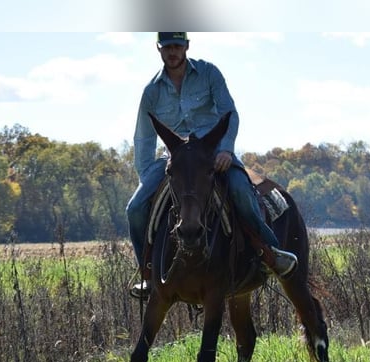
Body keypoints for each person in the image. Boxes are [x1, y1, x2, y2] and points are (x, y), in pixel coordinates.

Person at [126, 32, 298, 299]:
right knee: (134, 208)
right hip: (176, 159)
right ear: (158, 49)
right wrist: (148, 175)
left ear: (187, 47)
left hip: (214, 152)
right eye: (167, 47)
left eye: (177, 46)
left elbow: (230, 113)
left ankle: (270, 252)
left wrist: (227, 149)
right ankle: (148, 275)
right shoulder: (152, 91)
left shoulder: (209, 74)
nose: (173, 52)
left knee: (241, 191)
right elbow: (143, 137)